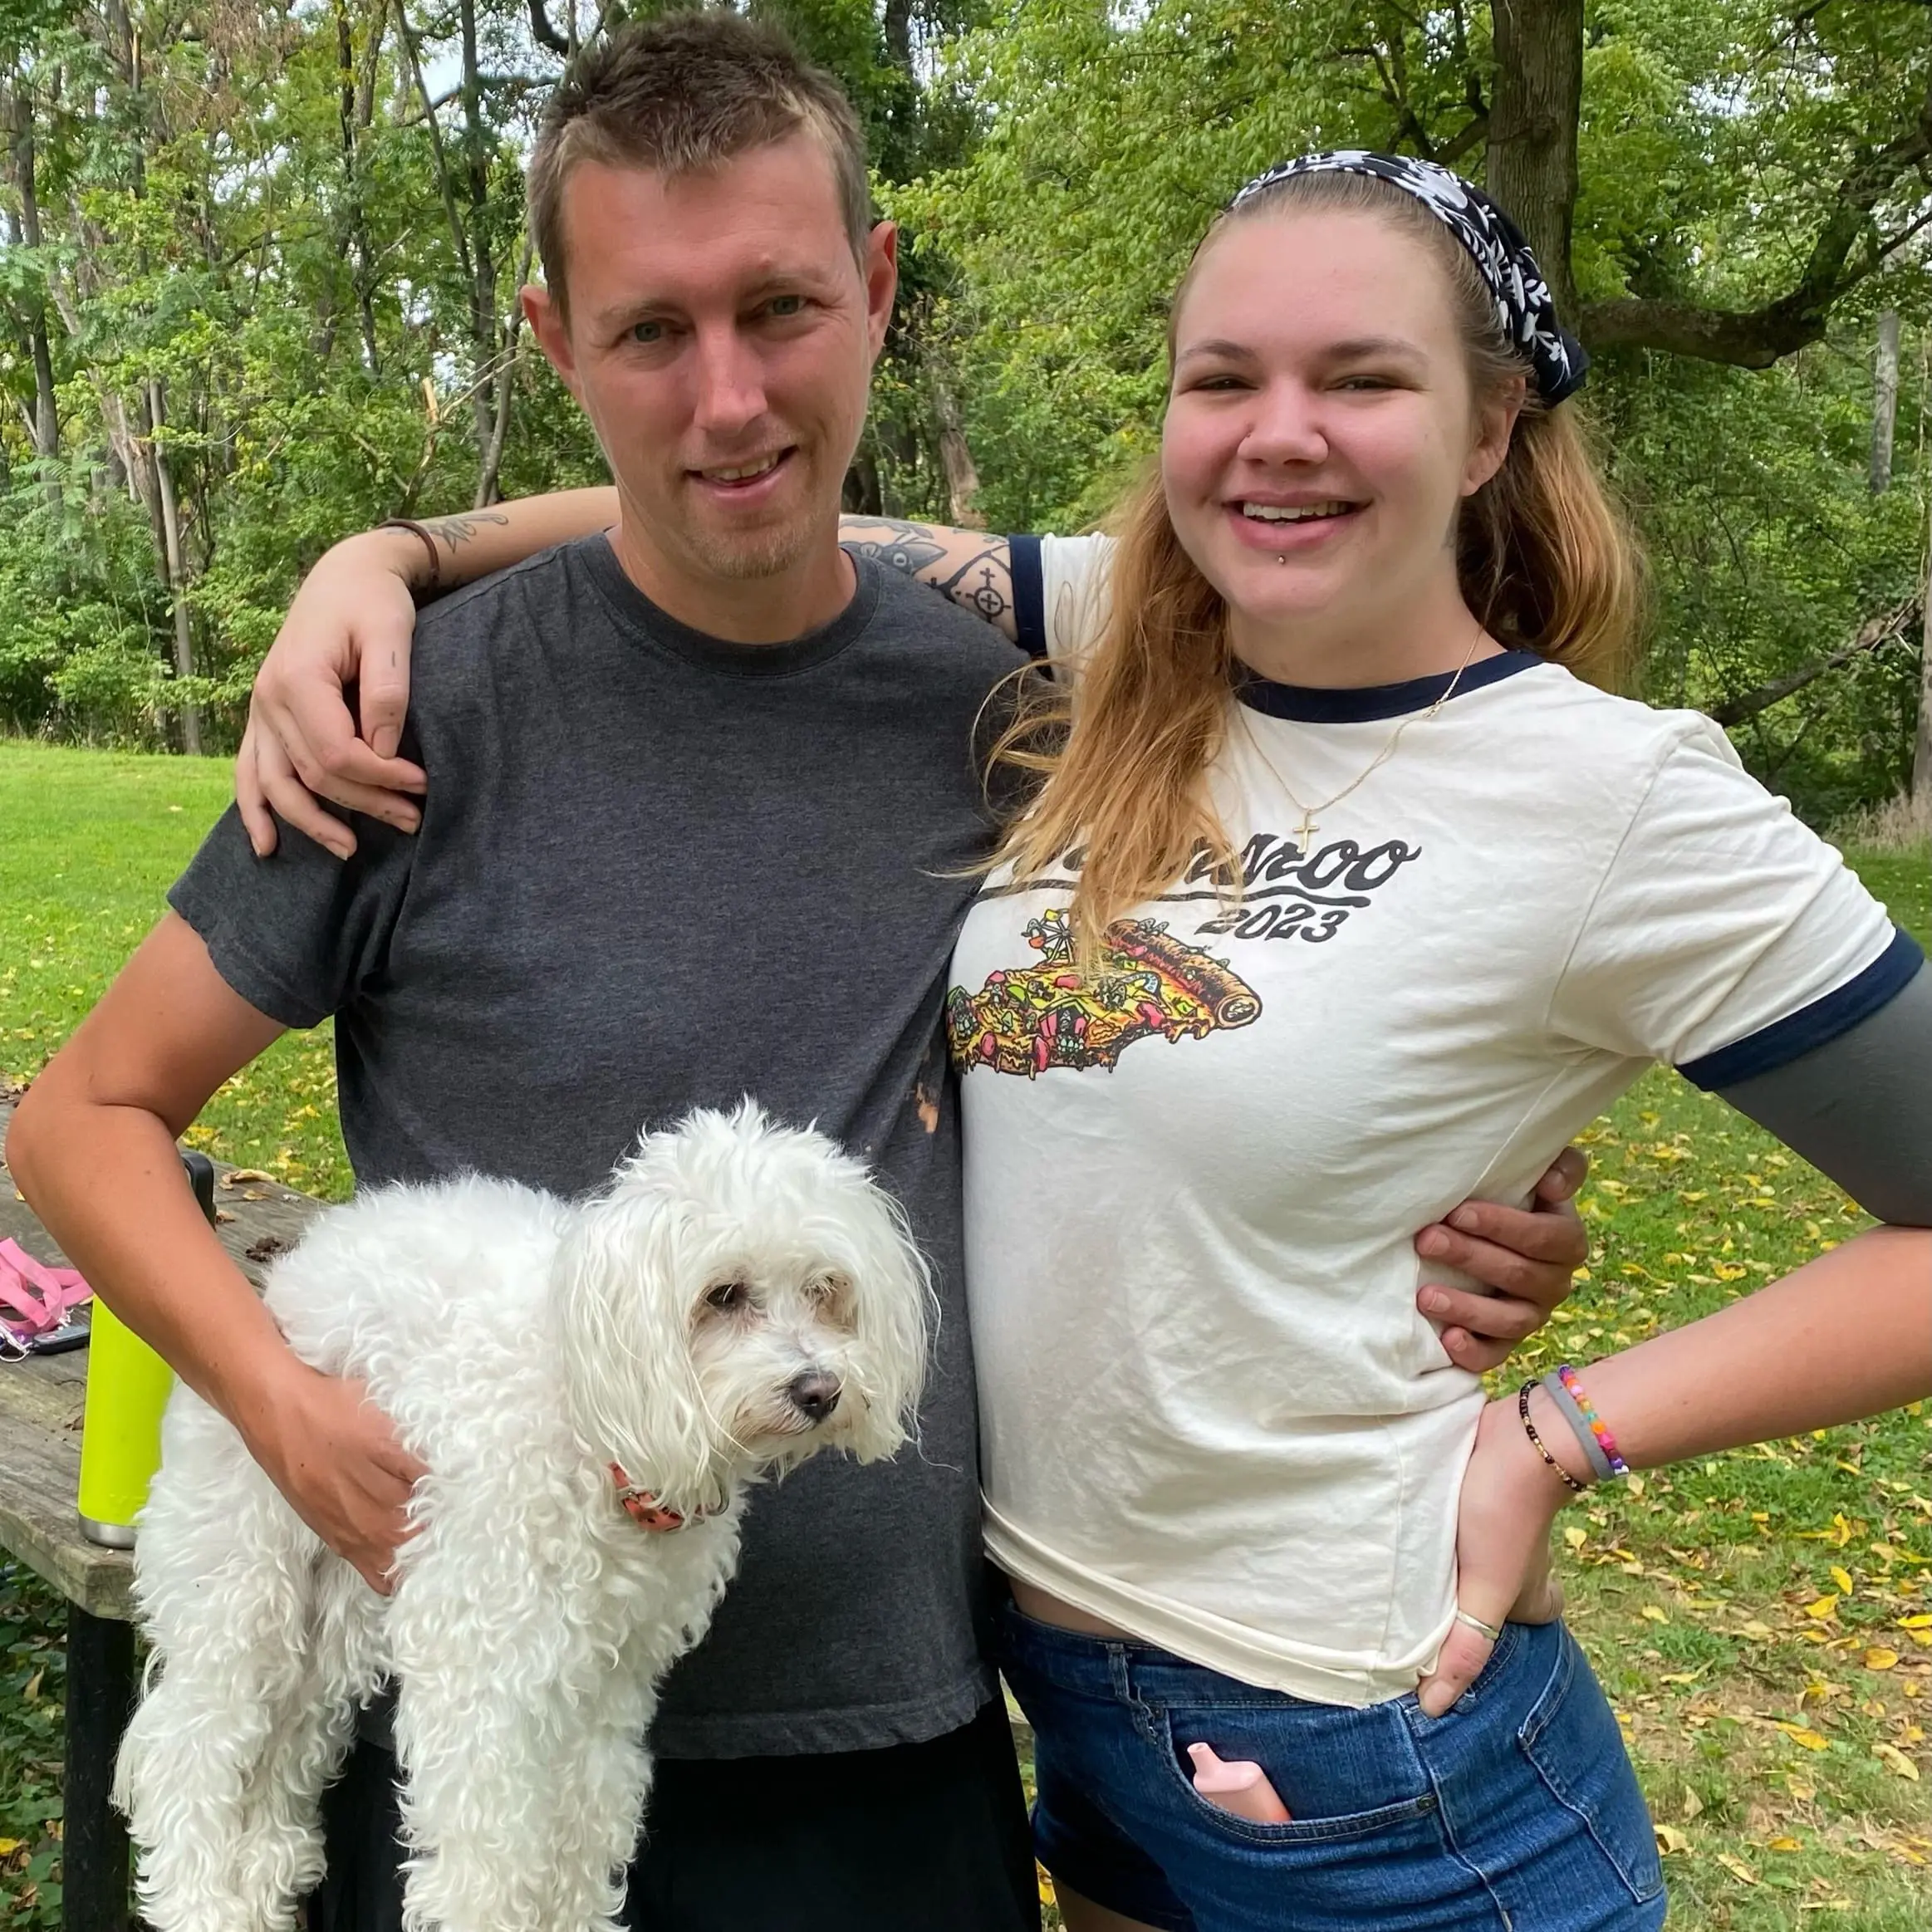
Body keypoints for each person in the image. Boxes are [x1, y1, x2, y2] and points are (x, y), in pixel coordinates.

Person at [4, 22, 1591, 1932]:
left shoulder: (1018, 716)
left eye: (780, 308)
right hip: (472, 1724)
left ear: (878, 289)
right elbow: (84, 1116)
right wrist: (276, 1402)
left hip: (891, 1736)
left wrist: (1455, 1192)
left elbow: (1212, 1040)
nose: (728, 396)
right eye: (649, 331)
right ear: (553, 339)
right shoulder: (403, 718)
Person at [248, 146, 1932, 1931]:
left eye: (1360, 377)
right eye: (1223, 378)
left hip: (1372, 1740)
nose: (1278, 435)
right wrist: (389, 555)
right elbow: (735, 498)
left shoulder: (1616, 797)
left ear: (1490, 422)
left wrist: (1561, 1430)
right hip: (1079, 1717)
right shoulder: (1138, 638)